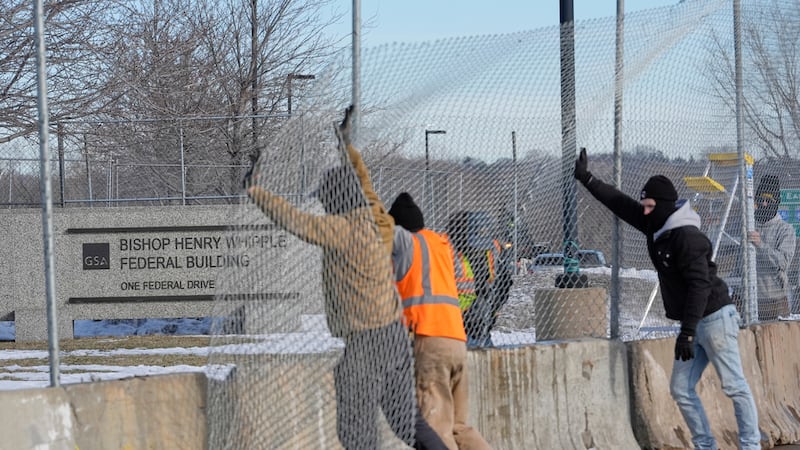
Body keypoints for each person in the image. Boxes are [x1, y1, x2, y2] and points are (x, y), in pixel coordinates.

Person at [245, 106, 447, 450]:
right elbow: (364, 181)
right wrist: (346, 145)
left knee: (356, 430)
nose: (322, 207)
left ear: (334, 202)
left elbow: (295, 220)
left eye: (325, 201)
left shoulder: (340, 230)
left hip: (364, 341)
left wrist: (257, 191)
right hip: (394, 337)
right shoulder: (379, 219)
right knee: (404, 421)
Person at [574, 148, 761, 450]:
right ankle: (705, 445)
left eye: (649, 206)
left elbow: (699, 286)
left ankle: (750, 445)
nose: (644, 211)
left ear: (663, 206)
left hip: (714, 318)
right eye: (644, 206)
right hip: (692, 323)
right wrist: (587, 178)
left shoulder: (686, 235)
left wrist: (687, 332)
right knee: (681, 389)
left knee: (734, 385)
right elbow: (621, 204)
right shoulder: (655, 225)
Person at [389, 192, 492, 450]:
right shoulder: (441, 245)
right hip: (456, 339)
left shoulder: (406, 246)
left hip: (429, 340)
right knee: (459, 426)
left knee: (436, 428)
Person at [447, 211, 513, 349]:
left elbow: (502, 282)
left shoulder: (491, 250)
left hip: (482, 319)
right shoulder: (448, 253)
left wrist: (492, 310)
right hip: (456, 323)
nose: (478, 250)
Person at [743, 174, 796, 321]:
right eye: (761, 199)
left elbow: (783, 262)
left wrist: (760, 244)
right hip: (746, 298)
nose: (764, 204)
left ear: (776, 203)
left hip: (774, 299)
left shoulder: (785, 229)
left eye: (769, 200)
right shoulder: (747, 225)